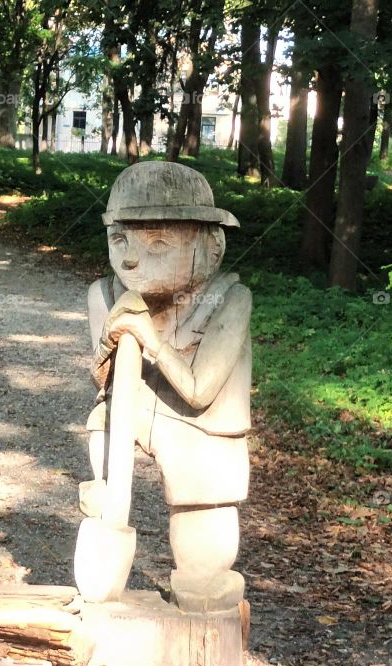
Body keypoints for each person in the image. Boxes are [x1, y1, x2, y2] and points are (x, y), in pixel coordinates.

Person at [81, 161, 252, 612]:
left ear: (210, 248)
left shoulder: (231, 300)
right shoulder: (104, 293)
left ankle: (205, 581)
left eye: (158, 241)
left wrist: (150, 339)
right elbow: (105, 383)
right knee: (103, 422)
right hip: (135, 409)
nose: (132, 258)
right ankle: (105, 511)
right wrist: (111, 341)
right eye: (120, 239)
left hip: (204, 428)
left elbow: (200, 390)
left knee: (203, 566)